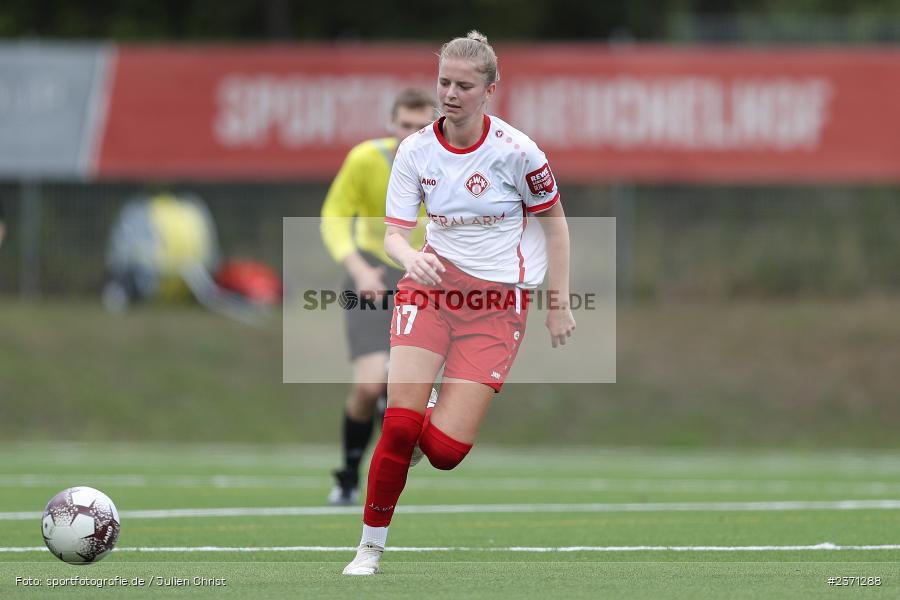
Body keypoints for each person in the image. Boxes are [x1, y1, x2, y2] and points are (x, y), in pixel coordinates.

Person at [342, 31, 575, 575]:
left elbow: (556, 229)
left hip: (497, 306)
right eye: (444, 81)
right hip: (429, 292)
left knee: (444, 453)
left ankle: (426, 421)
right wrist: (408, 258)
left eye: (463, 85)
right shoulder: (416, 149)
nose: (450, 93)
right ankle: (368, 550)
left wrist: (557, 302)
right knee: (397, 427)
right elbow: (393, 234)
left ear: (490, 90)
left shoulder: (520, 153)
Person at [320, 88, 438, 505]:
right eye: (404, 125)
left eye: (421, 126)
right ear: (391, 124)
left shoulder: (451, 163)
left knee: (400, 382)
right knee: (370, 385)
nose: (411, 134)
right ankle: (349, 475)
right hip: (370, 274)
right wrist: (358, 269)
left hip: (427, 277)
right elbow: (334, 216)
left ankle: (395, 453)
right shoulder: (366, 159)